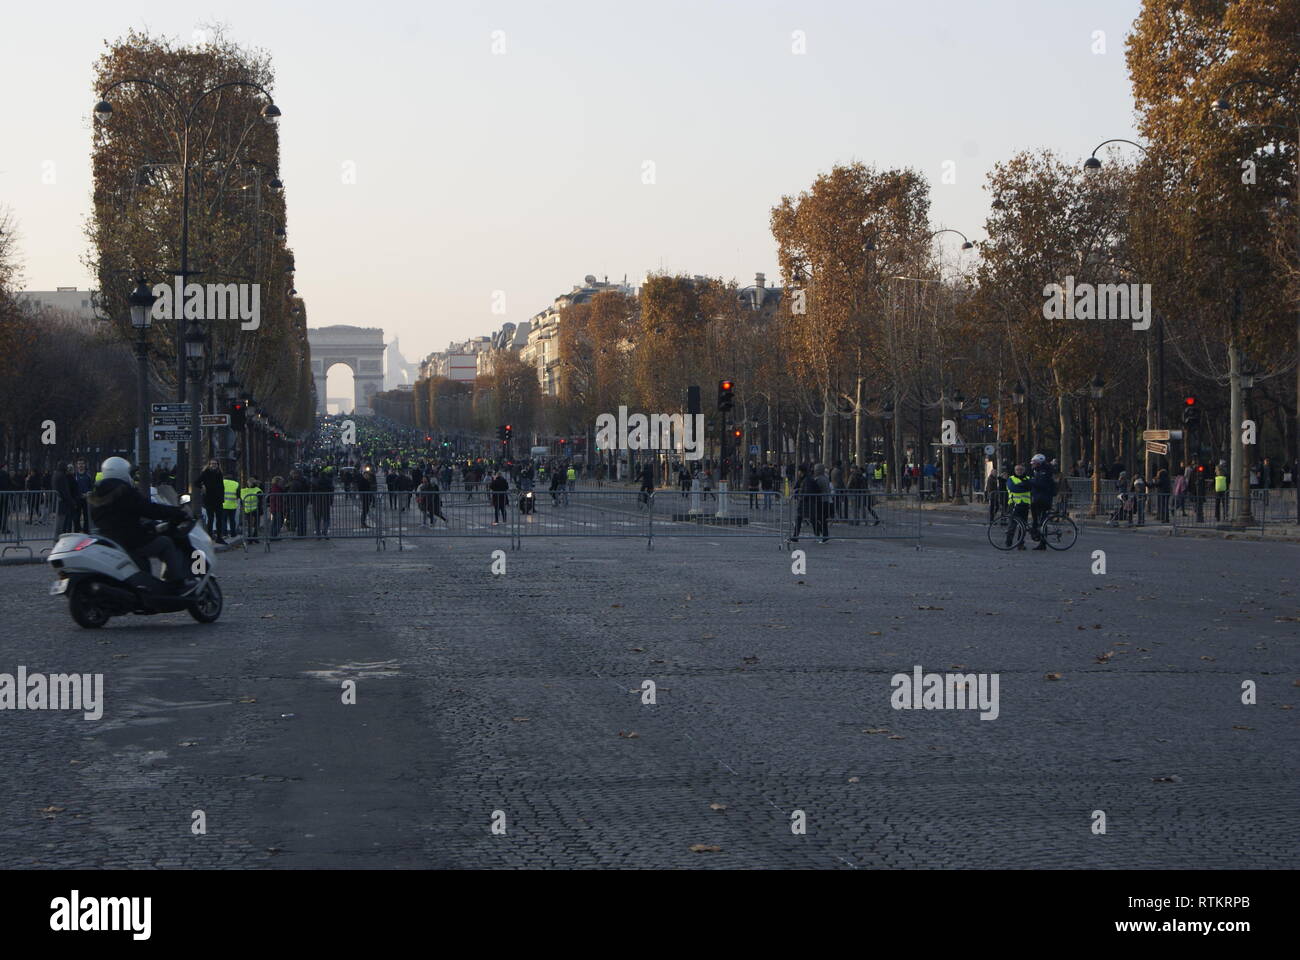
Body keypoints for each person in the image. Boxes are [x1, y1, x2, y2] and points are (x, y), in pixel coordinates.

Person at [87, 457, 193, 591]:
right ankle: (177, 583)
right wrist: (176, 512)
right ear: (122, 472)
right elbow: (149, 509)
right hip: (130, 539)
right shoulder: (124, 491)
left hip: (108, 538)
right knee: (166, 543)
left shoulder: (96, 494)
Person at [1028, 453, 1056, 549]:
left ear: (1039, 463)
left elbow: (1041, 484)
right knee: (1036, 520)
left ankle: (1042, 542)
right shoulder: (1038, 471)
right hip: (1038, 498)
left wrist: (1031, 481)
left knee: (1042, 521)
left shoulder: (1045, 471)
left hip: (1044, 499)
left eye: (1034, 463)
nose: (1032, 465)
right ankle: (1037, 535)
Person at [1005, 463, 1032, 550]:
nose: (1019, 471)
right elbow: (1013, 489)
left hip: (1024, 504)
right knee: (1012, 526)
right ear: (1014, 471)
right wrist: (1024, 487)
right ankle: (1008, 543)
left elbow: (1030, 487)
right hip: (1014, 505)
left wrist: (1020, 487)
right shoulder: (1011, 479)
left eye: (1021, 470)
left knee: (1023, 526)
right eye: (1017, 470)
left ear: (1024, 470)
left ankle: (1020, 544)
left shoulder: (1028, 478)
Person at [199, 459, 226, 542]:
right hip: (209, 499)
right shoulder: (205, 473)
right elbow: (196, 482)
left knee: (219, 519)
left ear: (218, 465)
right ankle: (210, 536)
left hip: (218, 500)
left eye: (215, 464)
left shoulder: (219, 473)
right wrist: (202, 487)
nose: (214, 465)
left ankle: (219, 537)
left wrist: (222, 497)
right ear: (209, 465)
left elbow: (221, 486)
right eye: (212, 464)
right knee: (210, 519)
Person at [240, 477, 263, 543]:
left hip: (249, 509)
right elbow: (260, 500)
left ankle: (251, 538)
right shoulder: (257, 490)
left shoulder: (243, 490)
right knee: (255, 524)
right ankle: (254, 537)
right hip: (254, 509)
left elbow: (242, 501)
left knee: (252, 524)